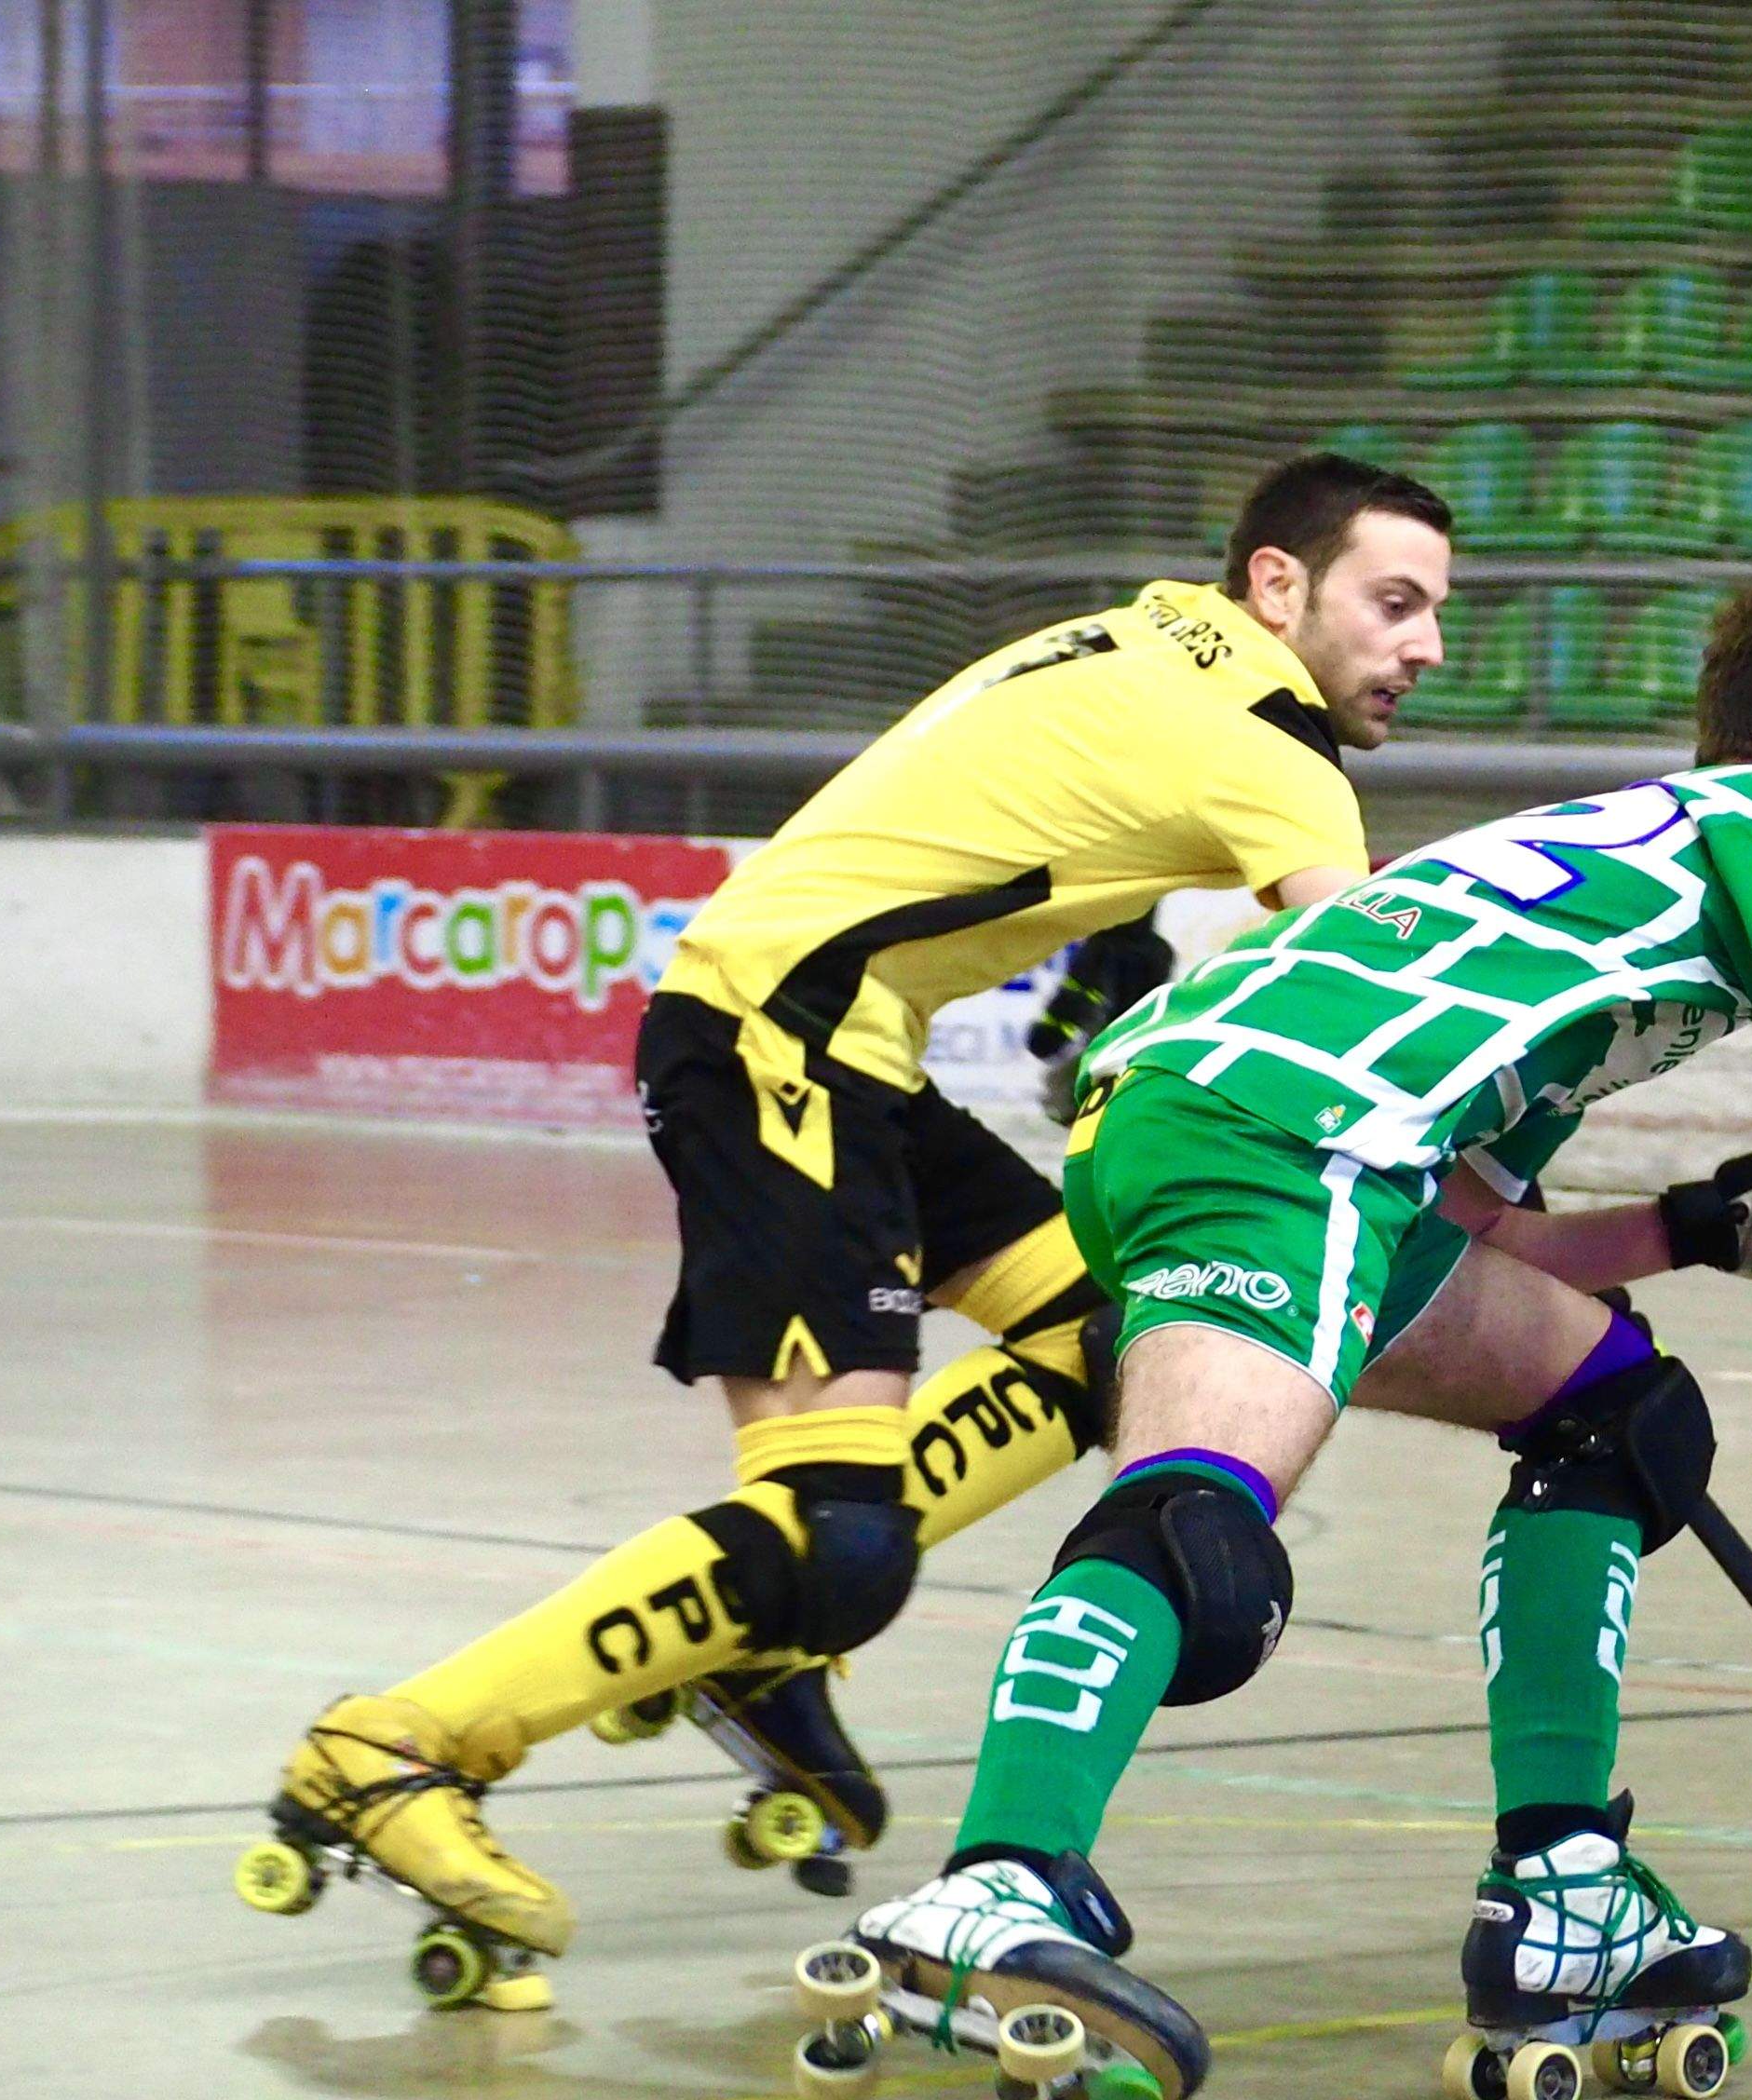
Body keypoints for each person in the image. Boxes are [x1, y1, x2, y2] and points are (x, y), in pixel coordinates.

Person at [817, 546, 1752, 2100]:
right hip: (1279, 1131)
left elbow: (1467, 1243)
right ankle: (995, 1887)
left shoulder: (1614, 867)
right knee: (1198, 1533)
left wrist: (1699, 1229)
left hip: (1206, 1114)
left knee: (1614, 1403)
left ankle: (1565, 1877)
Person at [240, 453, 1453, 2007]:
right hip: (779, 1038)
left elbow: (1056, 785)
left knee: (1120, 1326)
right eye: (1395, 603)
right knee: (834, 1531)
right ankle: (394, 1746)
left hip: (848, 1043)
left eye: (1435, 614)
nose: (1425, 647)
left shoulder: (1153, 633)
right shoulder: (1278, 752)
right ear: (1280, 587)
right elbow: (1368, 987)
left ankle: (766, 1644)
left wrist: (1127, 937)